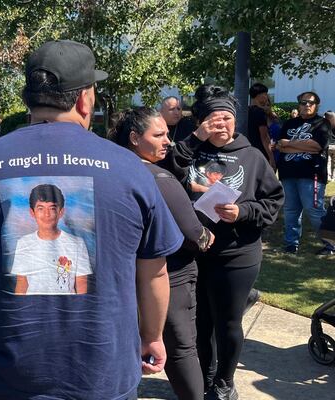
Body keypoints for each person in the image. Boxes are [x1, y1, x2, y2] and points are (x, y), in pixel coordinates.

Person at [0, 39, 183, 400]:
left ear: (30, 98)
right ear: (84, 98)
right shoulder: (130, 167)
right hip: (101, 374)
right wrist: (152, 336)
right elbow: (154, 272)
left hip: (6, 375)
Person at [163, 85, 284, 399]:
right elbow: (167, 169)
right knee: (199, 322)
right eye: (214, 119)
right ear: (202, 122)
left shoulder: (252, 157)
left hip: (236, 253)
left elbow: (273, 201)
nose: (221, 125)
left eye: (227, 119)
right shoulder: (191, 149)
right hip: (194, 252)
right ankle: (202, 379)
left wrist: (241, 212)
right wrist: (195, 138)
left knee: (227, 322)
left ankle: (224, 382)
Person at [109, 107, 215, 400]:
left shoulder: (110, 171)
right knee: (181, 348)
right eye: (159, 135)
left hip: (120, 276)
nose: (168, 140)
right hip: (169, 277)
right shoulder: (158, 179)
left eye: (167, 134)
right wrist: (207, 235)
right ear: (133, 138)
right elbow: (195, 235)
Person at [276, 92, 334, 255]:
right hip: (288, 173)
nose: (306, 105)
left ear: (317, 105)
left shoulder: (322, 123)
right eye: (303, 102)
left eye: (311, 102)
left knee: (314, 210)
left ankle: (331, 244)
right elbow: (280, 145)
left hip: (312, 174)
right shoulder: (289, 123)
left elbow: (317, 146)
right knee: (290, 210)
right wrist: (299, 145)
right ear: (298, 105)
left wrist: (290, 144)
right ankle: (290, 244)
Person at [11, 184, 92, 295]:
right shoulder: (23, 243)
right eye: (40, 208)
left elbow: (81, 283)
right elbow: (22, 283)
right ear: (32, 212)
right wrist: (19, 311)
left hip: (66, 308)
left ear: (61, 212)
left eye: (52, 208)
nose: (47, 214)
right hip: (32, 308)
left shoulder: (77, 243)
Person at [247, 83, 276, 169]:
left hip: (246, 151)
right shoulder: (259, 112)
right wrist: (271, 158)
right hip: (259, 153)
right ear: (259, 95)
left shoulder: (245, 111)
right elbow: (264, 137)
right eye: (265, 94)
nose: (267, 97)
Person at [323, 110, 335, 180]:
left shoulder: (325, 125)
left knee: (328, 162)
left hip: (328, 145)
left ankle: (328, 177)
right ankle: (334, 177)